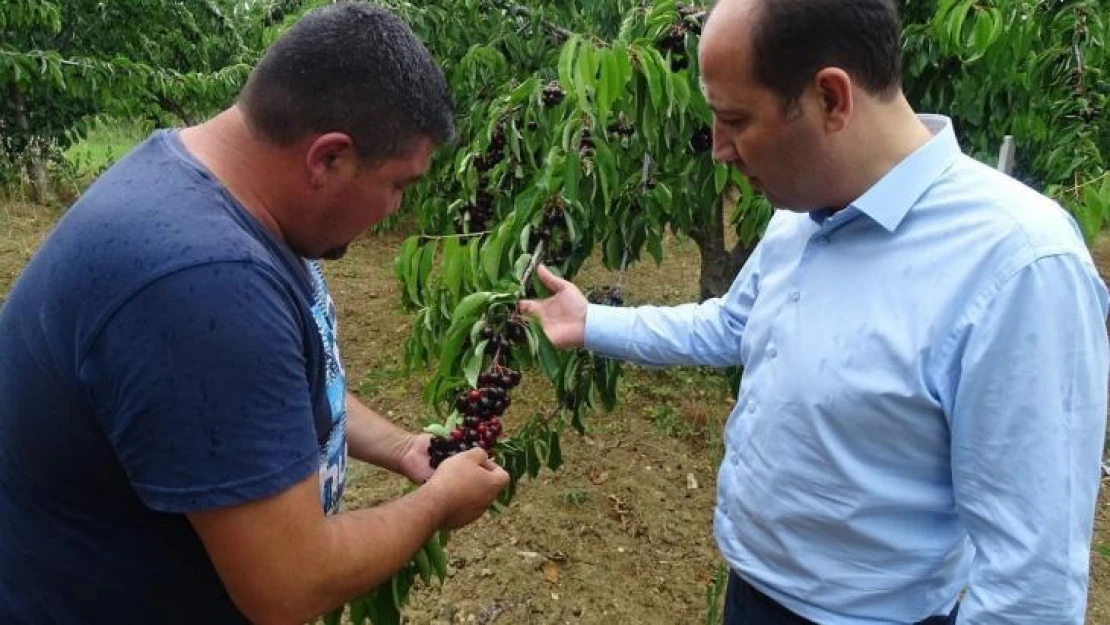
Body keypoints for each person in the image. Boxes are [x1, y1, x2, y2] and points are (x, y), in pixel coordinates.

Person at [520, 0, 1109, 623]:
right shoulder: (801, 212)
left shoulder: (1018, 265)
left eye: (735, 119)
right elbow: (732, 326)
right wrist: (591, 324)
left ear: (831, 98)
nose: (719, 149)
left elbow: (1029, 585)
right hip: (751, 591)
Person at [0, 4, 509, 625]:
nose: (395, 208)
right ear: (328, 159)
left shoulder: (221, 190)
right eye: (400, 184)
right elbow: (291, 585)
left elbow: (274, 397)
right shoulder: (205, 280)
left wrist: (403, 446)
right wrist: (438, 502)